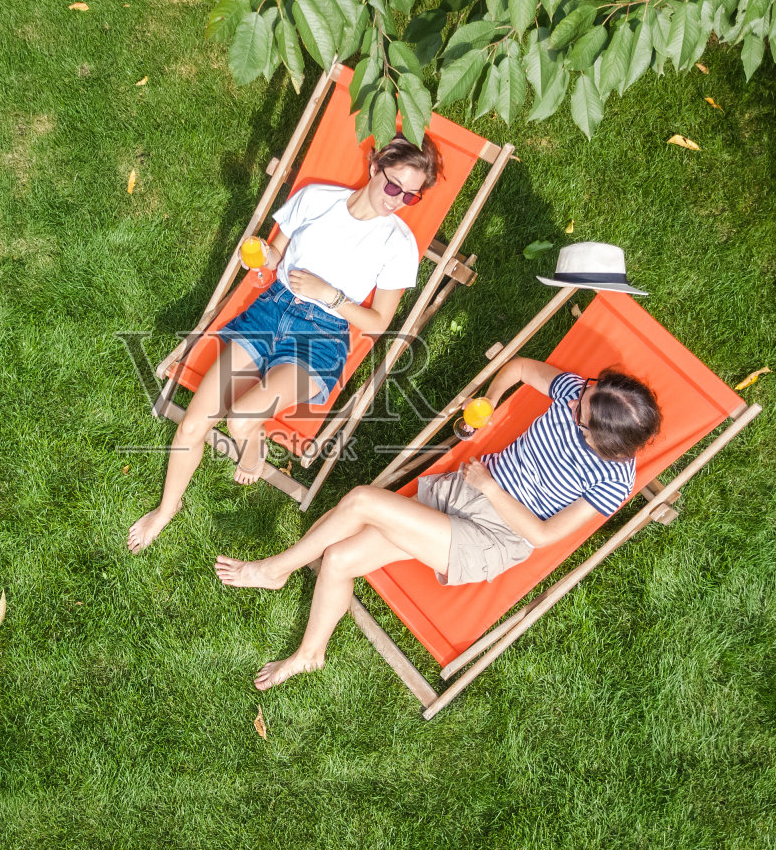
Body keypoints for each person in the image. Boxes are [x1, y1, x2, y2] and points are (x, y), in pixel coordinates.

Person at [214, 357, 662, 690]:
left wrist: (491, 489)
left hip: (494, 536)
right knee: (338, 559)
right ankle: (311, 653)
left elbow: (542, 535)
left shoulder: (613, 481)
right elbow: (521, 368)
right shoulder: (578, 394)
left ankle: (275, 570)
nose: (574, 403)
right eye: (584, 394)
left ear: (599, 440)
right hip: (463, 492)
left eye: (581, 416)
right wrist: (490, 400)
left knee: (362, 501)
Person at [127, 136, 443, 553]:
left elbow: (379, 323)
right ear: (374, 168)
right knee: (191, 425)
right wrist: (262, 255)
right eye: (393, 185)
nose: (397, 200)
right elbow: (275, 254)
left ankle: (252, 450)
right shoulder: (316, 198)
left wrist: (330, 294)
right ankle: (167, 509)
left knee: (240, 421)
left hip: (321, 337)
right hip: (269, 312)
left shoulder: (398, 244)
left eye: (410, 196)